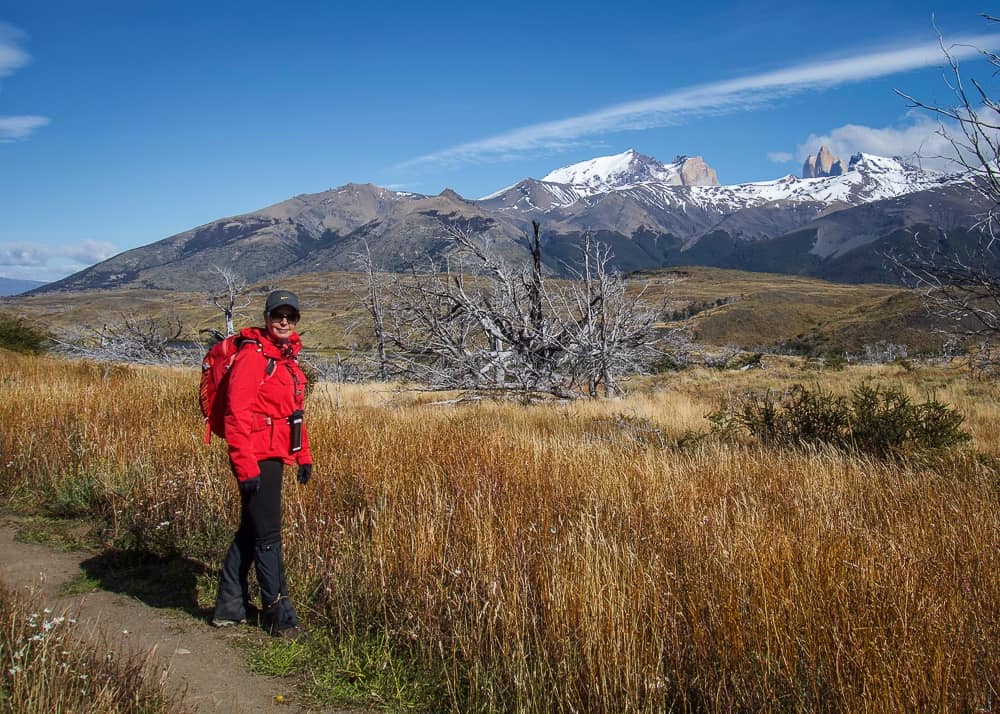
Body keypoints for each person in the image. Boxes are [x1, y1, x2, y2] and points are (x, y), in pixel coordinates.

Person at [211, 289, 313, 640]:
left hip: (274, 455)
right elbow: (236, 415)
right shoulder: (254, 358)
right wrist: (245, 466)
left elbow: (292, 415)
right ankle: (278, 613)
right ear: (267, 318)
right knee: (269, 535)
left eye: (290, 316)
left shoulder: (285, 358)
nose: (284, 321)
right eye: (277, 315)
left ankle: (229, 606)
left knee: (252, 530)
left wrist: (303, 455)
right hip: (256, 458)